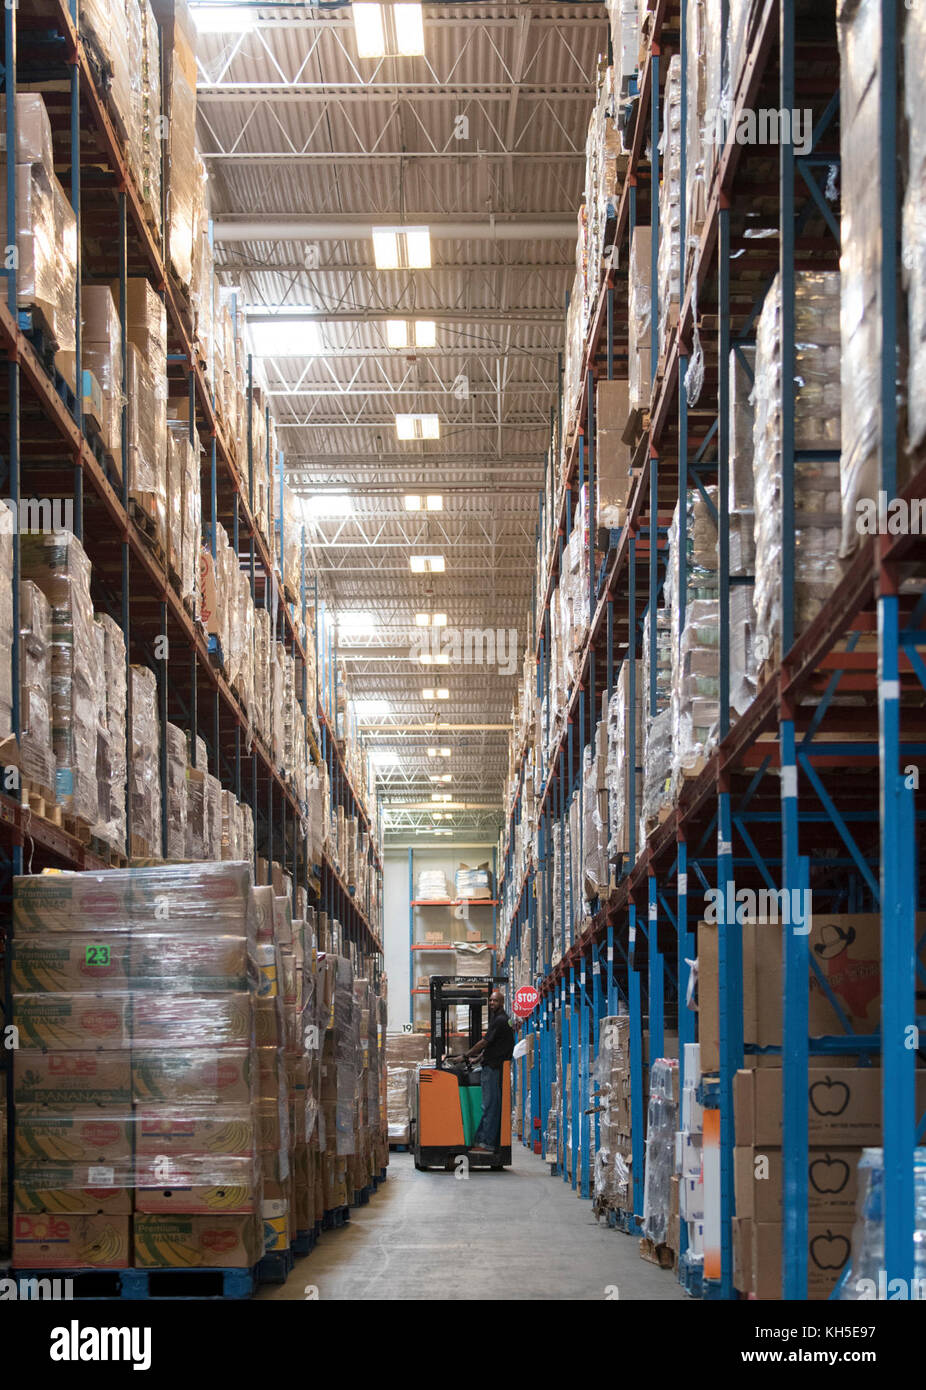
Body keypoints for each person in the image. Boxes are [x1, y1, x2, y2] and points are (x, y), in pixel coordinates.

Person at [465, 989, 515, 1153]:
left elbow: (484, 1042)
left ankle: (486, 1143)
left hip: (493, 1068)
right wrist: (478, 1059)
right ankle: (483, 1140)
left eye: (495, 1001)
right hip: (493, 1065)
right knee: (490, 1104)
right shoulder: (502, 1019)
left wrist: (465, 1055)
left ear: (501, 1003)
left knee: (490, 1105)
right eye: (491, 1000)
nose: (492, 1003)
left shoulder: (500, 1020)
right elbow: (495, 1045)